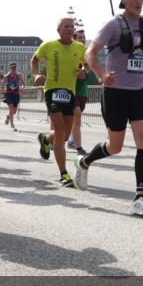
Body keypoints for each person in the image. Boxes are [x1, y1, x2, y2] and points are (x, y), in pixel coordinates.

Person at [74, 0, 143, 217]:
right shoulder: (112, 24)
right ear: (124, 0)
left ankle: (139, 197)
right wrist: (101, 74)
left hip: (139, 91)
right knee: (115, 146)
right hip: (116, 92)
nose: (139, 1)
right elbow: (90, 53)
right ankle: (84, 162)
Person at [32, 18, 86, 187]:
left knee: (65, 133)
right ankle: (63, 173)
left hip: (70, 92)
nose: (70, 29)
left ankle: (46, 139)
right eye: (66, 26)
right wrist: (35, 75)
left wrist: (84, 71)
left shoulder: (79, 47)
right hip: (52, 90)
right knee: (60, 130)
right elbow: (35, 59)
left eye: (72, 27)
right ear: (59, 29)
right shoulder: (48, 45)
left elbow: (86, 65)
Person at [68, 28, 96, 156]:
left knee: (75, 119)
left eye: (84, 37)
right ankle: (76, 145)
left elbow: (90, 66)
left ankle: (70, 140)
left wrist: (85, 71)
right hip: (71, 90)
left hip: (82, 90)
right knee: (76, 115)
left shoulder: (86, 53)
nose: (83, 39)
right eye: (80, 37)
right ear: (74, 39)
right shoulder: (72, 52)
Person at [1, 62, 23, 131]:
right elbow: (2, 84)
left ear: (16, 68)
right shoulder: (6, 76)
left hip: (16, 94)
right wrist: (2, 91)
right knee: (11, 109)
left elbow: (21, 83)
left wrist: (21, 88)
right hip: (9, 94)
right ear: (10, 68)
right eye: (12, 67)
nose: (13, 69)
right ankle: (12, 125)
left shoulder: (19, 75)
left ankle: (8, 116)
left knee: (14, 111)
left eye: (15, 67)